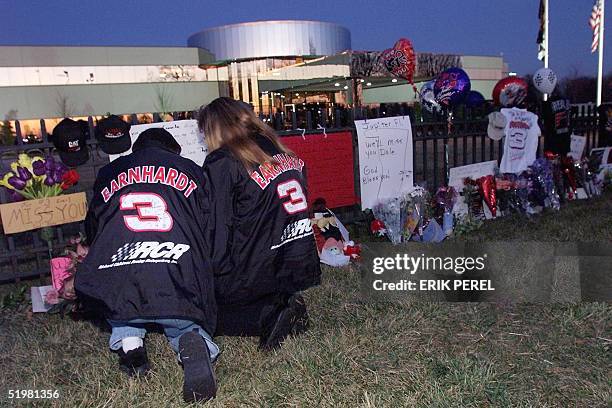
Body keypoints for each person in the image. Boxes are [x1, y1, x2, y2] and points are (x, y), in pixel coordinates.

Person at [75, 128, 218, 402]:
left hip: (124, 274)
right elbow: (208, 225)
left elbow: (94, 228)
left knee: (121, 302)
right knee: (183, 317)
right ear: (172, 151)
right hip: (175, 273)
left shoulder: (109, 173)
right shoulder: (192, 170)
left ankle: (131, 346)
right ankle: (192, 341)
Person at [197, 97, 321, 350]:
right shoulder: (282, 152)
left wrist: (209, 272)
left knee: (200, 316)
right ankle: (280, 303)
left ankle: (267, 315)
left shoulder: (224, 161)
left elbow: (218, 226)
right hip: (292, 259)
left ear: (215, 128)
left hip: (255, 265)